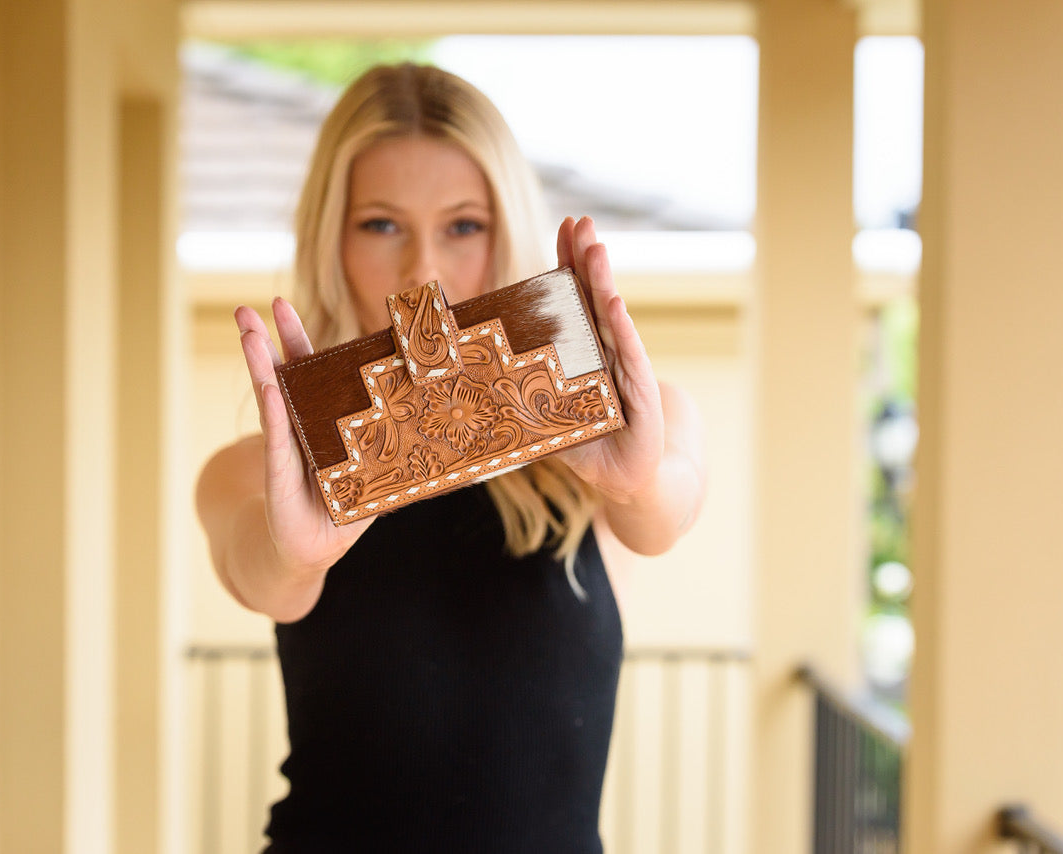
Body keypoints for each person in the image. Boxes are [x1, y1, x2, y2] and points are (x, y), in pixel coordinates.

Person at [195, 62, 706, 854]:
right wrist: (295, 552)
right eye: (381, 225)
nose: (422, 274)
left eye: (463, 225)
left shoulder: (627, 429)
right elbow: (262, 571)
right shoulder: (261, 471)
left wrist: (635, 478)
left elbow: (662, 513)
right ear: (330, 237)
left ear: (508, 231)